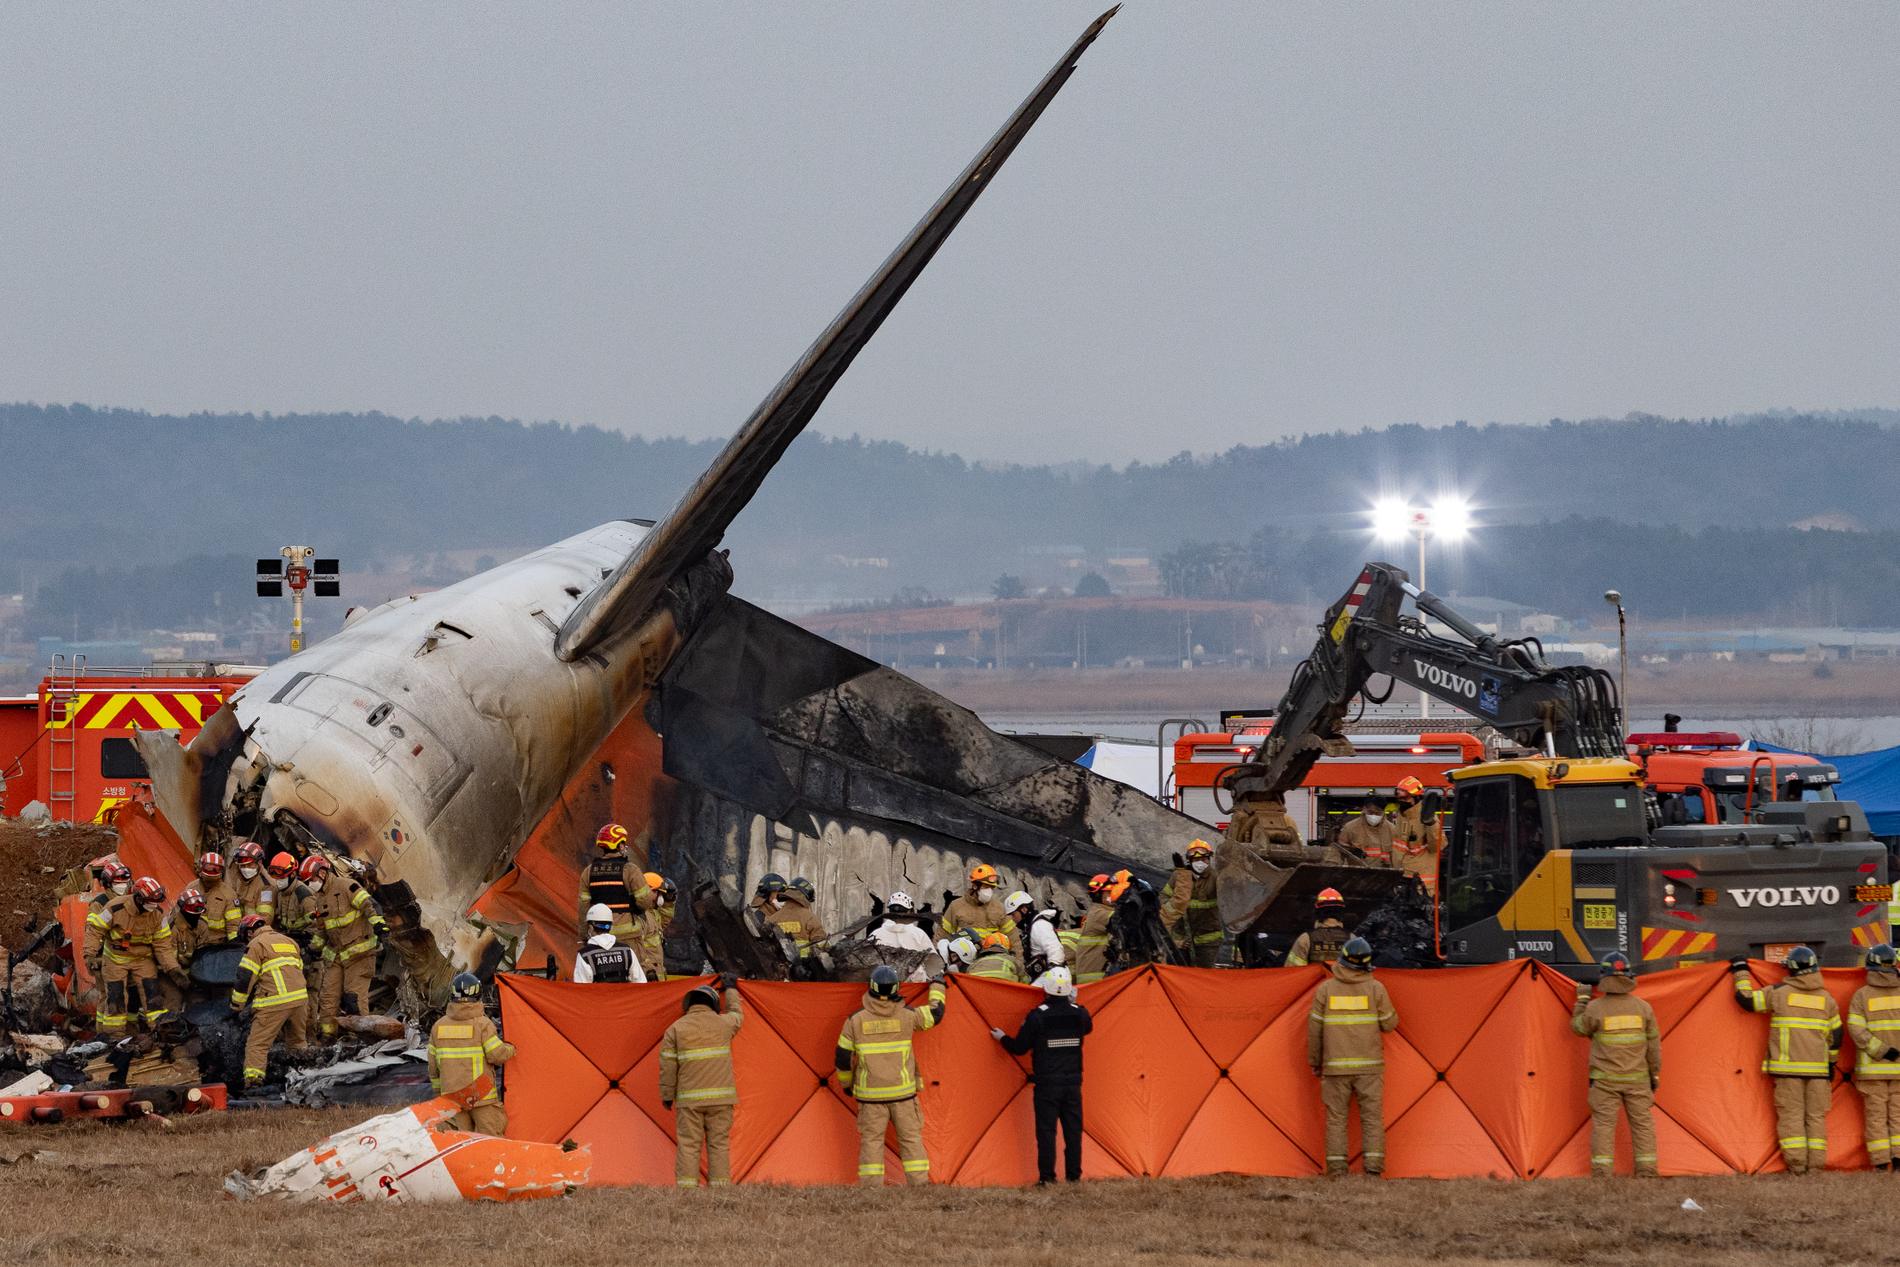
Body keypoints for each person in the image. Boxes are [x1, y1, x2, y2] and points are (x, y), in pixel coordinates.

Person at [835, 964, 948, 1186]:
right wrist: (938, 985)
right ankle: (919, 1184)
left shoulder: (855, 1021)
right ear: (896, 988)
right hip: (903, 1095)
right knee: (911, 1140)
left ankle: (871, 1187)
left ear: (871, 988)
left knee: (872, 1142)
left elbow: (842, 1057)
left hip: (870, 1097)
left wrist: (847, 1085)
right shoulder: (908, 1016)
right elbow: (936, 1013)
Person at [1733, 946, 1842, 1174]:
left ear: (1790, 970)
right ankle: (1815, 1167)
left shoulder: (1779, 993)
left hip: (1787, 1070)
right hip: (1819, 1072)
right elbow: (1836, 1036)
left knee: (1791, 1117)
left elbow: (1746, 1000)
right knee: (1815, 1118)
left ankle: (1797, 1166)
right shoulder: (1827, 999)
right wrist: (1830, 1064)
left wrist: (1740, 971)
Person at [1308, 936, 1399, 1177]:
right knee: (1372, 1119)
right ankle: (1373, 1169)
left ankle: (1337, 1170)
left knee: (1336, 1118)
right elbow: (1390, 1024)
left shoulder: (1325, 990)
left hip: (1335, 1068)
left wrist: (1315, 1062)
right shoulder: (1376, 988)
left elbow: (1314, 1031)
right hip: (1370, 1068)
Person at [993, 966, 1091, 1185]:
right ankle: (1074, 1177)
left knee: (1047, 1132)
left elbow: (1019, 1047)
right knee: (1073, 1132)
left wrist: (1002, 1038)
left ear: (1046, 989)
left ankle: (1047, 1178)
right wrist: (1074, 1004)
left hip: (1047, 1084)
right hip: (1073, 1083)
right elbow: (1087, 1027)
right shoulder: (1080, 1013)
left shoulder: (1038, 1016)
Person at [1571, 951, 1661, 1177]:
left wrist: (1582, 1001)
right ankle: (1647, 1171)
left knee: (1603, 1126)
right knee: (1643, 1126)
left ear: (1604, 977)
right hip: (1638, 1080)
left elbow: (1578, 1028)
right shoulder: (1644, 1008)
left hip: (1604, 1081)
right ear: (1629, 976)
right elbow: (1654, 1048)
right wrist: (1655, 1075)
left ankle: (1602, 1173)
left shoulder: (1595, 1008)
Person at [660, 974, 744, 1187]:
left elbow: (667, 1067)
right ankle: (720, 1190)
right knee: (719, 1144)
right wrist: (731, 988)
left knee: (688, 1145)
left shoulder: (676, 1029)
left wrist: (667, 1096)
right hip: (722, 1100)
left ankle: (687, 1191)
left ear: (688, 1004)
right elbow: (737, 1014)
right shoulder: (723, 1024)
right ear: (715, 1003)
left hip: (689, 1101)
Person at [84, 875, 186, 1035]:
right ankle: (113, 1036)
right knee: (116, 998)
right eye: (150, 902)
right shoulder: (115, 908)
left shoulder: (157, 913)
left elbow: (163, 945)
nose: (153, 906)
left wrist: (173, 968)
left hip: (143, 959)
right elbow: (95, 930)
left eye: (155, 902)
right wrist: (89, 954)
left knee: (152, 996)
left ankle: (159, 1030)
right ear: (138, 898)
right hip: (116, 959)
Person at [301, 854, 387, 1038]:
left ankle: (362, 1040)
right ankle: (328, 1039)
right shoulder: (320, 899)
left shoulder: (346, 886)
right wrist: (312, 950)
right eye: (307, 881)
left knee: (354, 999)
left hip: (360, 955)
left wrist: (380, 925)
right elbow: (323, 931)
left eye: (312, 879)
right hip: (337, 958)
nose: (311, 884)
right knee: (327, 1001)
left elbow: (369, 905)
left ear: (323, 873)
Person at [428, 972, 516, 1135]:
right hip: (480, 1094)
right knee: (490, 1141)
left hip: (452, 1096)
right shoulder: (483, 1024)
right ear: (478, 995)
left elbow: (433, 1068)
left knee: (458, 1143)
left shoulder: (438, 1027)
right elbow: (496, 1055)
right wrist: (512, 1048)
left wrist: (440, 1094)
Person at [231, 913, 308, 1088]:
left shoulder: (256, 945)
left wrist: (236, 1006)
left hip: (274, 1002)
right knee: (297, 1043)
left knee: (257, 1045)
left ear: (250, 932)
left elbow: (245, 978)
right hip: (300, 1000)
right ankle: (305, 1077)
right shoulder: (289, 941)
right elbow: (298, 969)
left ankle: (253, 1083)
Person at [1846, 942, 1900, 1170]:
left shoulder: (1861, 996)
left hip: (1873, 1070)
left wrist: (1881, 1051)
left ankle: (1880, 1163)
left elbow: (1856, 1030)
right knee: (1898, 1116)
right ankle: (1898, 1161)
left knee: (1876, 1118)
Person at [1161, 839, 1223, 967]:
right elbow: (1163, 898)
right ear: (1189, 860)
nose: (1200, 863)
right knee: (1179, 973)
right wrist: (1176, 939)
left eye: (1204, 859)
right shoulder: (1178, 876)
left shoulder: (1217, 877)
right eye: (1196, 860)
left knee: (1202, 976)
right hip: (1181, 937)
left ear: (1209, 859)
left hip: (1208, 939)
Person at [579, 822, 643, 943]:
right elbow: (645, 901)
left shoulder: (588, 872)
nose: (624, 846)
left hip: (599, 936)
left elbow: (583, 908)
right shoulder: (630, 870)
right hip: (628, 936)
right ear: (619, 845)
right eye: (623, 843)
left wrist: (584, 935)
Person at [941, 864, 1021, 959]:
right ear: (975, 886)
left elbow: (1014, 939)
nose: (989, 891)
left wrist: (1018, 964)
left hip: (991, 959)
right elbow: (942, 934)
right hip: (964, 960)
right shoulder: (956, 906)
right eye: (985, 887)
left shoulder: (998, 908)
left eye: (991, 888)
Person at [1389, 777, 1444, 893]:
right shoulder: (1400, 815)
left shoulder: (1427, 817)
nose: (1401, 800)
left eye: (1405, 797)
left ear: (1415, 797)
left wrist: (1431, 824)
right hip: (1401, 876)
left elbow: (1437, 846)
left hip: (1420, 883)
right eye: (1398, 796)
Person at [868, 891, 938, 982]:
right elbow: (934, 966)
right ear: (909, 911)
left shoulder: (876, 934)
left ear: (889, 912)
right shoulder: (918, 934)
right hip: (914, 989)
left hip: (883, 987)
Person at [574, 903, 646, 983]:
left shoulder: (585, 955)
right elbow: (640, 983)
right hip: (623, 995)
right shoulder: (626, 951)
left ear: (591, 927)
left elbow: (581, 990)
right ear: (610, 926)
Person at [1285, 889, 1350, 967]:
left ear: (1317, 912)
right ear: (1341, 912)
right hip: (1343, 979)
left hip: (1315, 979)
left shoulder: (1305, 939)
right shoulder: (1352, 940)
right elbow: (1360, 974)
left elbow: (1292, 971)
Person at [1071, 874, 1116, 984]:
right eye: (1109, 892)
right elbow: (1121, 920)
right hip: (1093, 980)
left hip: (1098, 978)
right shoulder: (1098, 914)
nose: (1114, 895)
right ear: (1098, 894)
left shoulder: (1102, 911)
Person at [773, 876, 827, 961]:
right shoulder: (810, 918)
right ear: (806, 897)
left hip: (777, 967)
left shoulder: (772, 918)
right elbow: (822, 948)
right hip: (806, 969)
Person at [196, 851, 242, 943]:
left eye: (216, 869)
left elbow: (233, 926)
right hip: (194, 943)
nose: (212, 871)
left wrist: (234, 946)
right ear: (201, 868)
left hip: (216, 946)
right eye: (208, 868)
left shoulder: (229, 894)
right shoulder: (191, 889)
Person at [1337, 798, 1396, 867]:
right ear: (1364, 809)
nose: (1374, 816)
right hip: (1358, 874)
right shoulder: (1350, 827)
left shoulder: (1392, 829)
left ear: (1383, 811)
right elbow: (1338, 851)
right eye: (1370, 812)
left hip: (1384, 874)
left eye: (1378, 813)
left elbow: (1397, 855)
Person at [639, 872, 676, 981]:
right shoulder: (641, 916)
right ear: (651, 891)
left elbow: (664, 920)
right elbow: (637, 948)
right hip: (648, 975)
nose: (661, 897)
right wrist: (648, 970)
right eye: (660, 893)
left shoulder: (652, 913)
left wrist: (670, 902)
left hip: (656, 974)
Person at [230, 841, 276, 923]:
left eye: (249, 865)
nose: (245, 869)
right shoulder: (238, 878)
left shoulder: (267, 886)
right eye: (243, 866)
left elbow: (265, 920)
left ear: (259, 863)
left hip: (255, 931)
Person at [1025, 905, 1066, 980]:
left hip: (1053, 979)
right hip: (1044, 977)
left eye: (1013, 914)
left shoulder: (1039, 925)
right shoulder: (1031, 926)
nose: (1012, 918)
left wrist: (1055, 974)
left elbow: (1055, 950)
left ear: (1023, 910)